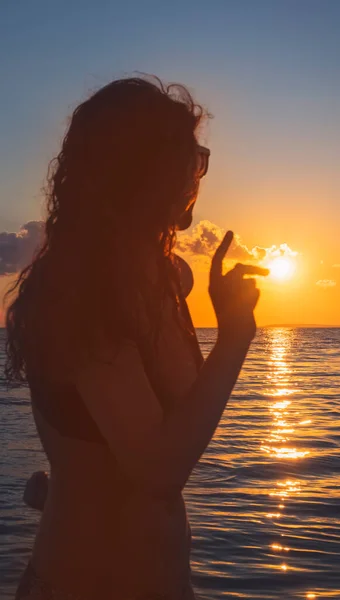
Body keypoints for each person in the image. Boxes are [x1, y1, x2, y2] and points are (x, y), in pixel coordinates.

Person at [4, 76, 268, 600]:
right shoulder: (83, 287)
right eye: (191, 160)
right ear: (143, 174)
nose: (198, 174)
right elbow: (158, 469)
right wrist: (235, 338)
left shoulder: (159, 279)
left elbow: (161, 423)